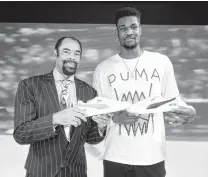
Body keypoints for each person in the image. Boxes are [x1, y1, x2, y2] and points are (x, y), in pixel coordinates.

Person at [93, 7, 196, 177]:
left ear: (140, 30)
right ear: (116, 32)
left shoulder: (161, 62)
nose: (129, 32)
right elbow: (98, 114)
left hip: (152, 158)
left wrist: (190, 112)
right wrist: (114, 118)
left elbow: (174, 100)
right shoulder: (103, 69)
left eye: (133, 26)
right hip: (115, 158)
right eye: (123, 28)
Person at [13, 36, 109, 177]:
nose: (72, 57)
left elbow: (91, 138)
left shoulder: (89, 91)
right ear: (55, 53)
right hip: (41, 173)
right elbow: (21, 134)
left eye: (76, 53)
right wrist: (54, 119)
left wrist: (101, 127)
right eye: (66, 51)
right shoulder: (30, 85)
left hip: (77, 173)